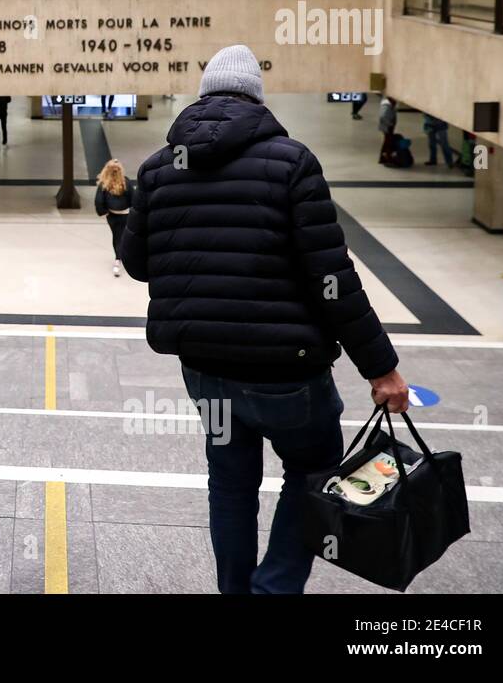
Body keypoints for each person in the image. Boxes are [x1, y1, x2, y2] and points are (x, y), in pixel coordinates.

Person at [121, 45, 409, 595]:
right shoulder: (291, 162)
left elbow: (137, 266)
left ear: (202, 96)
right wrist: (382, 369)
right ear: (256, 96)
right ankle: (273, 590)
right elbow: (333, 279)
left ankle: (236, 590)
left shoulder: (160, 169)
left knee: (230, 484)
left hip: (205, 367)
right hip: (288, 372)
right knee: (313, 472)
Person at [94, 159, 131, 277]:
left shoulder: (104, 184)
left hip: (112, 215)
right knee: (124, 236)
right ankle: (122, 257)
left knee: (117, 236)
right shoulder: (125, 182)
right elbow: (134, 197)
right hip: (125, 214)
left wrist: (103, 212)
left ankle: (118, 259)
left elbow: (99, 200)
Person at [377, 96, 397, 164]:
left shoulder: (388, 104)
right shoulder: (386, 106)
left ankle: (383, 158)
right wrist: (390, 124)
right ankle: (387, 158)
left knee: (387, 142)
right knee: (388, 142)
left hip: (387, 126)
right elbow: (383, 116)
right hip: (387, 127)